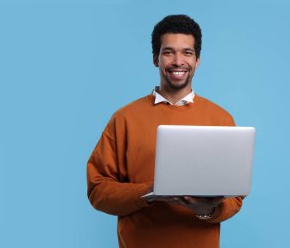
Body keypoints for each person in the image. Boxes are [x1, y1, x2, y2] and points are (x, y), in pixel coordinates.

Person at [87, 14, 243, 248]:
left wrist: (207, 209)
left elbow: (235, 197)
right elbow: (98, 190)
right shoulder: (124, 118)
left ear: (198, 59)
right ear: (155, 58)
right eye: (168, 52)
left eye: (187, 53)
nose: (178, 61)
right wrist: (148, 192)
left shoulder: (221, 118)